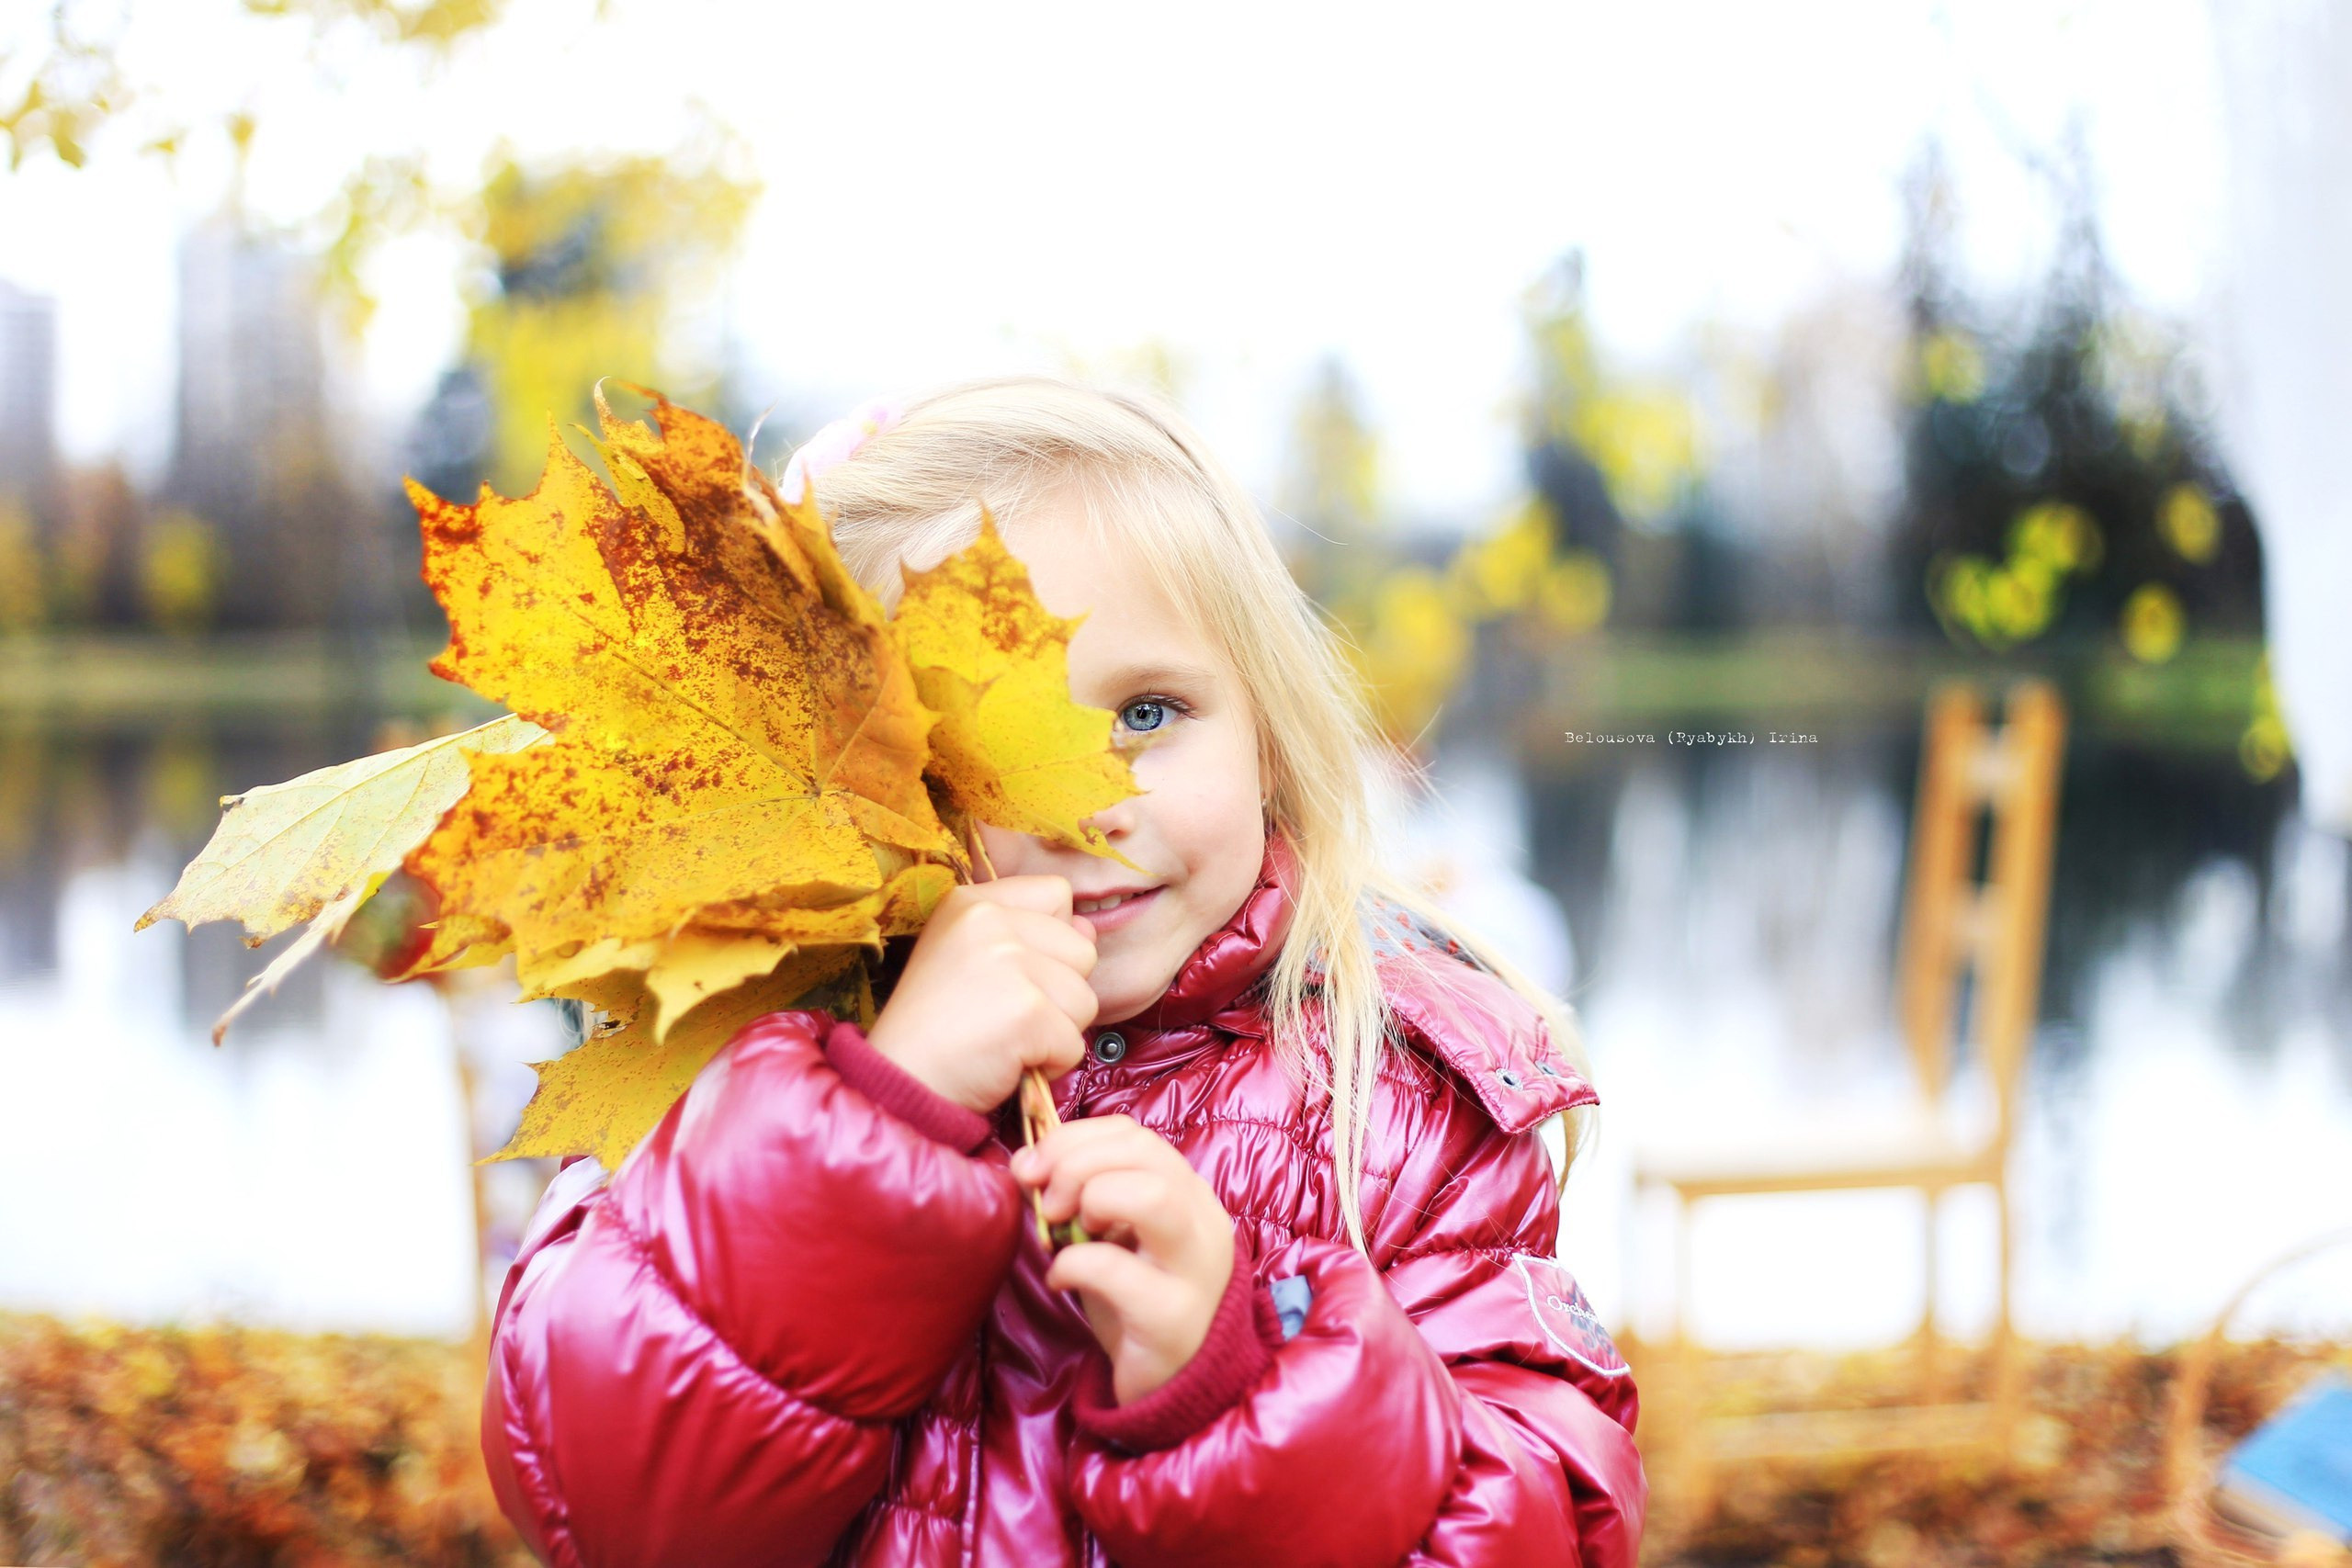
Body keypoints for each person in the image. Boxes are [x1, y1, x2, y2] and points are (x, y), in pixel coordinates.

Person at [479, 377, 1645, 1567]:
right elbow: (603, 1502)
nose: (1090, 815)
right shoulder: (740, 1055)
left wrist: (1243, 1386)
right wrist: (872, 1122)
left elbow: (1546, 1522)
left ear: (1269, 738)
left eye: (1147, 713)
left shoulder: (1397, 1104)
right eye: (973, 750)